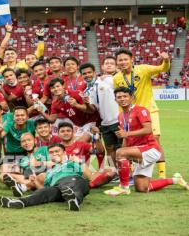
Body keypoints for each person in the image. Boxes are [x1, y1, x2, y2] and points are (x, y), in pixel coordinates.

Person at [104, 87, 189, 196]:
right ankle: (175, 180)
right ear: (115, 100)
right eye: (119, 97)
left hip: (151, 149)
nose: (122, 99)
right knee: (142, 188)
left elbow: (148, 129)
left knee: (120, 152)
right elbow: (125, 137)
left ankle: (124, 187)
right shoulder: (121, 116)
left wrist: (124, 145)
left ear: (131, 98)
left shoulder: (141, 110)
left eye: (125, 96)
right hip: (139, 152)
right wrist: (124, 152)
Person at [113, 48, 170, 178]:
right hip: (131, 114)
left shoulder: (143, 69)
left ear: (131, 59)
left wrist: (166, 60)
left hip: (149, 109)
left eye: (125, 59)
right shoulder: (116, 78)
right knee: (131, 141)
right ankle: (132, 173)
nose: (123, 62)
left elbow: (163, 68)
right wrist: (122, 117)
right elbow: (120, 97)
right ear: (117, 62)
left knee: (155, 138)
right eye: (120, 60)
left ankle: (162, 175)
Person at [0, 143, 92, 211]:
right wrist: (35, 181)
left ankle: (74, 200)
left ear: (64, 152)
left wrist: (80, 161)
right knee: (42, 193)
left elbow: (90, 177)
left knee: (75, 188)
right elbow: (43, 187)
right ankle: (19, 202)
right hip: (58, 188)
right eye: (51, 152)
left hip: (74, 180)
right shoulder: (50, 172)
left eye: (57, 151)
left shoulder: (71, 162)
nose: (54, 154)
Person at [81, 59, 121, 167]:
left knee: (121, 148)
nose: (87, 75)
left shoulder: (106, 80)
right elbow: (94, 108)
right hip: (105, 123)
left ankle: (127, 172)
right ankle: (114, 171)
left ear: (95, 73)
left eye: (89, 72)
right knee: (109, 149)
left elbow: (121, 82)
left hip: (118, 120)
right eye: (84, 74)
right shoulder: (90, 89)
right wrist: (87, 104)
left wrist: (113, 73)